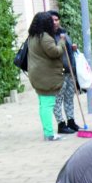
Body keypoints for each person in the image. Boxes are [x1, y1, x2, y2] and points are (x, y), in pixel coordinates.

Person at [25, 11, 67, 141]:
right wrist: (61, 42)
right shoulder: (44, 37)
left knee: (43, 104)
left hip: (37, 75)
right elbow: (54, 52)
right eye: (50, 21)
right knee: (48, 104)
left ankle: (47, 131)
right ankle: (49, 133)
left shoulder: (32, 36)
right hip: (46, 77)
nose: (53, 24)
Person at [49, 11, 81, 135]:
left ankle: (71, 121)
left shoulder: (64, 33)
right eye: (52, 20)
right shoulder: (48, 36)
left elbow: (69, 50)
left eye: (57, 20)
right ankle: (61, 124)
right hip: (58, 72)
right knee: (58, 98)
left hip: (69, 71)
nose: (55, 22)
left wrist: (73, 48)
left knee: (69, 97)